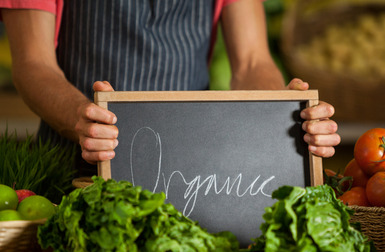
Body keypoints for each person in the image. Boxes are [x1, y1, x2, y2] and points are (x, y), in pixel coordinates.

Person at [0, 0, 340, 177]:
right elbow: (33, 64)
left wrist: (282, 109)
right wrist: (81, 117)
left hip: (190, 175)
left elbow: (252, 61)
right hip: (75, 175)